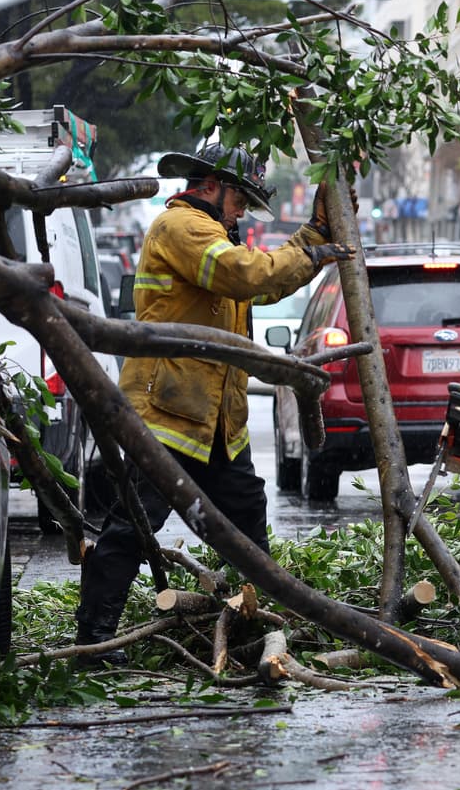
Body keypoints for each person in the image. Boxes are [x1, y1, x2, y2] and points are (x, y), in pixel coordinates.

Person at [75, 144, 354, 664]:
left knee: (247, 515)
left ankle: (260, 620)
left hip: (218, 421)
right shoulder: (181, 228)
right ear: (210, 186)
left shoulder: (217, 238)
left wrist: (315, 235)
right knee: (135, 527)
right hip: (168, 415)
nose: (243, 211)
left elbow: (260, 283)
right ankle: (94, 640)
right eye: (239, 199)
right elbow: (247, 274)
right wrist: (313, 253)